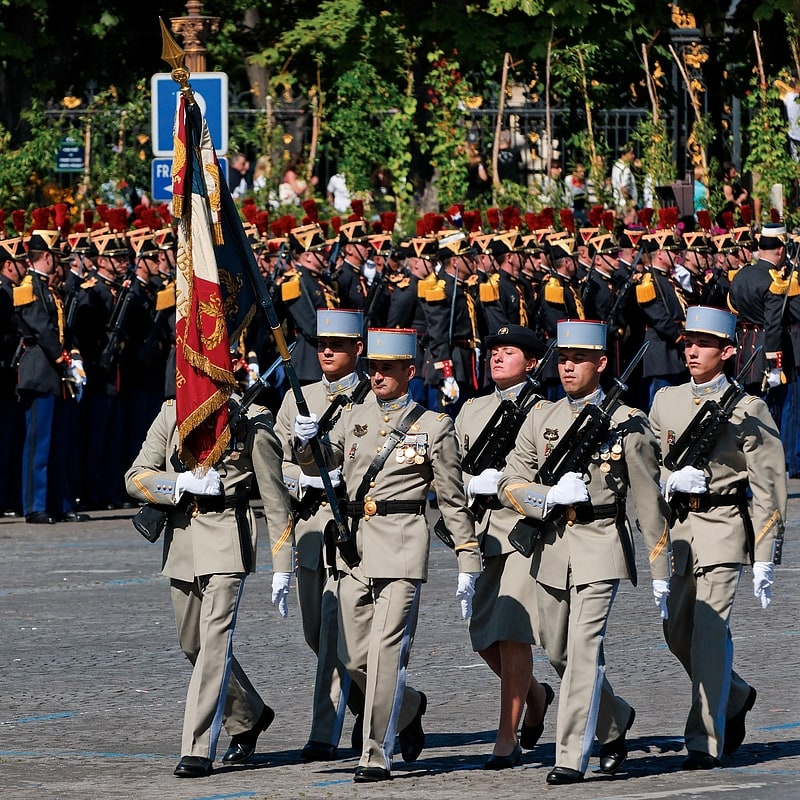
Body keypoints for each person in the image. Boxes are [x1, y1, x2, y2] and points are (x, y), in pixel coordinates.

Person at [292, 327, 482, 782]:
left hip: (400, 547)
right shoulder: (352, 416)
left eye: (388, 369)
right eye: (373, 368)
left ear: (409, 372)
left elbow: (452, 500)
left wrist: (467, 557)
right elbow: (321, 462)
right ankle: (409, 705)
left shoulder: (435, 426)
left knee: (384, 655)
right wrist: (305, 442)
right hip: (354, 547)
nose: (377, 376)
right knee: (352, 656)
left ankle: (375, 753)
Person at [498, 319, 671, 784]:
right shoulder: (542, 417)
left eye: (578, 359)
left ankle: (571, 755)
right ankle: (614, 722)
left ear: (601, 363)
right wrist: (547, 497)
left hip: (600, 546)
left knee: (584, 650)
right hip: (551, 545)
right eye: (563, 358)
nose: (568, 365)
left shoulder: (627, 424)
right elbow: (509, 481)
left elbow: (648, 500)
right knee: (557, 653)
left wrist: (660, 569)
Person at [124, 395, 294, 778]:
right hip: (182, 540)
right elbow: (135, 476)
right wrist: (178, 482)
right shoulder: (172, 412)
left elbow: (274, 496)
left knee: (214, 645)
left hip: (226, 538)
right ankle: (249, 714)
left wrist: (283, 566)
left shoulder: (252, 418)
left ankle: (197, 748)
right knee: (193, 645)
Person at [648, 306, 787, 769]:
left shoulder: (748, 409)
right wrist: (669, 477)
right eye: (688, 342)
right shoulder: (665, 400)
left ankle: (703, 740)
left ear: (727, 352)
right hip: (680, 530)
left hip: (723, 527)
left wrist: (765, 554)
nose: (692, 350)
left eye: (703, 344)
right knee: (677, 633)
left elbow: (768, 485)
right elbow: (648, 463)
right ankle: (737, 694)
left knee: (709, 636)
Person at [455, 324, 552, 769]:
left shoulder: (545, 411)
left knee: (512, 631)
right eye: (493, 351)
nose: (496, 358)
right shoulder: (471, 410)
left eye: (508, 352)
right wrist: (467, 484)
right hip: (480, 530)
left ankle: (505, 736)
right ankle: (535, 696)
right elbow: (447, 466)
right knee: (482, 637)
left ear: (531, 363)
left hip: (520, 530)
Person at [274, 309, 367, 760]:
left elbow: (369, 460)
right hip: (310, 528)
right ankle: (390, 705)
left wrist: (333, 473)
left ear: (358, 349)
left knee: (334, 634)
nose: (326, 351)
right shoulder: (298, 397)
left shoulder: (370, 397)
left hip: (350, 526)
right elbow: (275, 461)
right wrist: (301, 478)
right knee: (316, 633)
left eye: (338, 344)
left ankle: (323, 732)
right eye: (321, 344)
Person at [13, 230, 88, 524]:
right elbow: (42, 328)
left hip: (55, 373)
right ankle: (35, 505)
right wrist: (62, 358)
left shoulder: (48, 288)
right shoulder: (27, 288)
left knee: (59, 441)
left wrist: (73, 357)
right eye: (56, 257)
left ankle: (59, 501)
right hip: (40, 369)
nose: (58, 263)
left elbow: (60, 328)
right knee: (38, 443)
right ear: (46, 257)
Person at [275, 223, 340, 384]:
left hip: (329, 359)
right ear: (308, 255)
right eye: (320, 251)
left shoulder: (322, 280)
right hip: (308, 364)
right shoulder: (294, 282)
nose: (326, 255)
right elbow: (310, 326)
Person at [0, 236, 29, 517]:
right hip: (4, 374)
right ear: (9, 265)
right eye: (22, 263)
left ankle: (8, 497)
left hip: (12, 377)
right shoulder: (3, 293)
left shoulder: (13, 291)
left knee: (11, 440)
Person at [611, 145, 638, 212]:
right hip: (626, 205)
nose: (633, 156)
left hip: (618, 202)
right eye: (631, 153)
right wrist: (630, 201)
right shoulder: (625, 169)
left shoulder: (616, 166)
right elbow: (624, 189)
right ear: (624, 154)